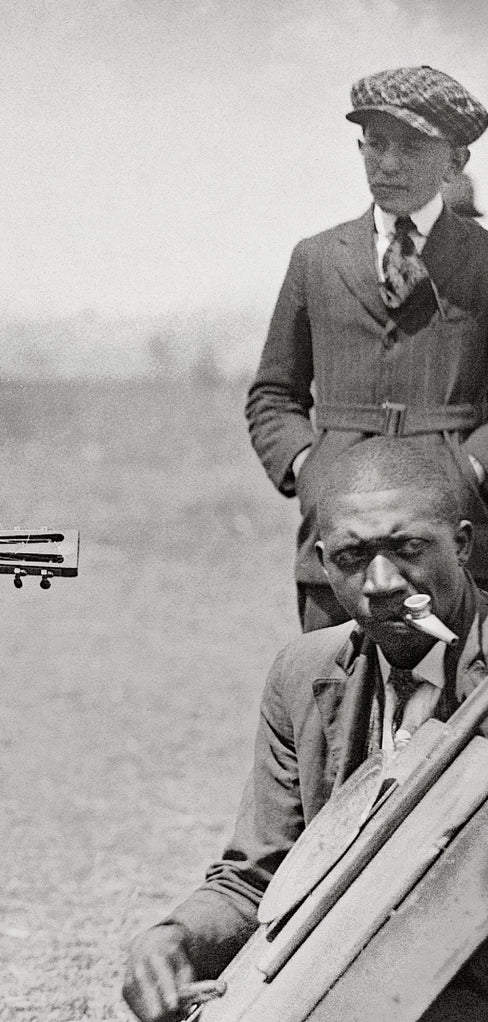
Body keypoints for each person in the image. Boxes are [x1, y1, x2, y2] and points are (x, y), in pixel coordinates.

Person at [5, 438, 488, 1022]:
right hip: (312, 997)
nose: (383, 582)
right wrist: (175, 939)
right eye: (353, 559)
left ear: (463, 544)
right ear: (323, 563)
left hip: (461, 1003)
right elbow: (258, 875)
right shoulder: (305, 675)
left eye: (409, 549)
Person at [246, 66, 488, 633]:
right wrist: (312, 470)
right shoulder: (317, 258)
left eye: (411, 146)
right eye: (375, 144)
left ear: (455, 162)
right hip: (341, 536)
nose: (389, 163)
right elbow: (273, 395)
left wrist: (470, 468)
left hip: (453, 532)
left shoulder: (484, 260)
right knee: (335, 697)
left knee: (460, 699)